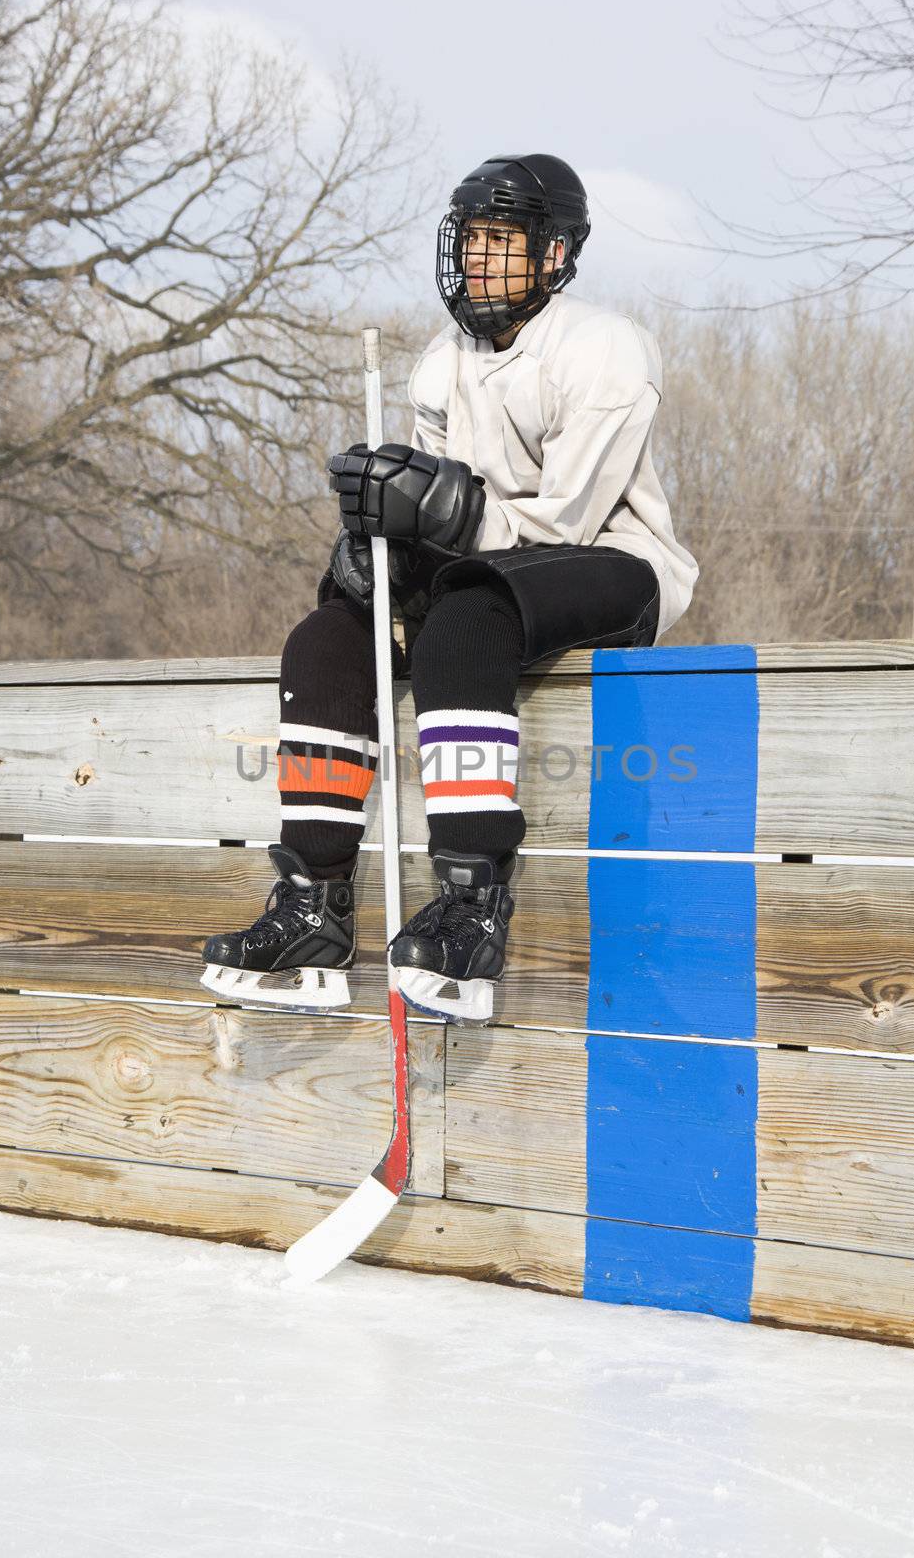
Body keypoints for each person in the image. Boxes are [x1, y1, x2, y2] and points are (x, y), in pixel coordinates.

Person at [200, 152, 698, 1023]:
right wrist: (379, 548)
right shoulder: (442, 360)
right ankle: (313, 904)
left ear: (552, 254)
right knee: (327, 633)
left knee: (463, 619)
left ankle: (472, 908)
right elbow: (455, 522)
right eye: (469, 236)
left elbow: (568, 518)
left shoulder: (605, 350)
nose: (475, 255)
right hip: (491, 567)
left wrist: (443, 515)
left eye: (499, 238)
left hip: (618, 563)